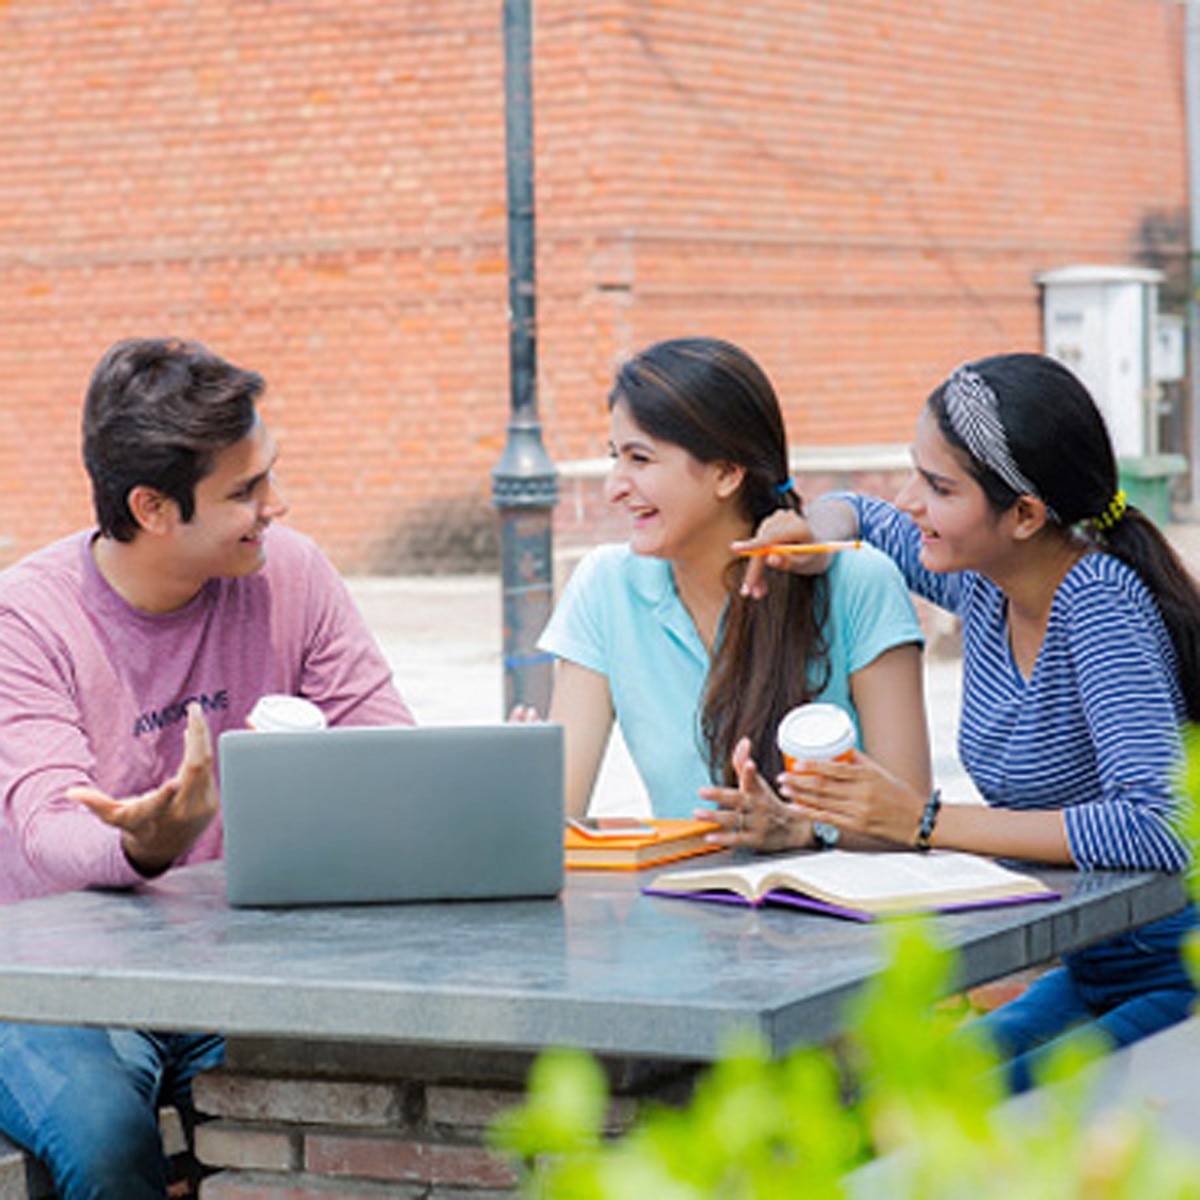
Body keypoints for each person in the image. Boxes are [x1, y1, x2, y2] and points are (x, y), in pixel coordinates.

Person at [0, 337, 415, 1199]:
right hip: (55, 981)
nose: (279, 504)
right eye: (246, 492)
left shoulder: (290, 575)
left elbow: (387, 747)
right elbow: (46, 833)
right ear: (153, 508)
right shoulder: (27, 619)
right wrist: (150, 844)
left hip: (235, 969)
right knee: (108, 1137)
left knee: (350, 1081)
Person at [735, 351, 1199, 1091]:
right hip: (1091, 967)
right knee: (894, 1103)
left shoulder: (1098, 603)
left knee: (946, 1122)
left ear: (1023, 515)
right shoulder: (989, 585)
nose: (913, 500)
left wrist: (921, 819)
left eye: (939, 486)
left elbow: (1154, 825)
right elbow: (860, 512)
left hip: (1177, 976)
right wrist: (810, 540)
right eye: (917, 471)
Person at [536, 336, 931, 842]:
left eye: (639, 459)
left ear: (725, 473)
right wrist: (520, 779)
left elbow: (915, 819)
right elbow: (557, 816)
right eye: (615, 457)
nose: (614, 486)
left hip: (838, 913)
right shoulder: (604, 588)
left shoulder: (858, 583)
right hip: (679, 910)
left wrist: (803, 831)